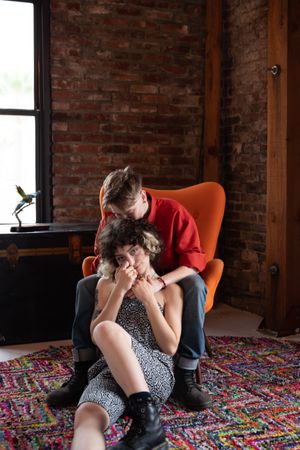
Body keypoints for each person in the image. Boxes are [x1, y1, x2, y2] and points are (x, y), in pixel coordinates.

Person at [47, 166, 211, 411]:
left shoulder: (174, 213)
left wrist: (159, 283)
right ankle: (83, 369)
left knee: (196, 286)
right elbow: (101, 257)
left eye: (128, 213)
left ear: (142, 197)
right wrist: (119, 281)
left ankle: (186, 374)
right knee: (84, 286)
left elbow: (194, 262)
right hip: (122, 273)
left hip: (168, 276)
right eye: (116, 215)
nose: (123, 220)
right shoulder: (113, 216)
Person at [71, 219, 183, 450]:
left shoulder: (170, 290)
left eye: (134, 251)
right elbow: (95, 337)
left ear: (148, 247)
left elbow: (170, 347)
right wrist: (120, 290)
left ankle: (148, 422)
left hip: (153, 374)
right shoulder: (107, 285)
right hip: (112, 373)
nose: (130, 262)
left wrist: (149, 299)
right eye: (121, 258)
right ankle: (149, 425)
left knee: (106, 329)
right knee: (86, 417)